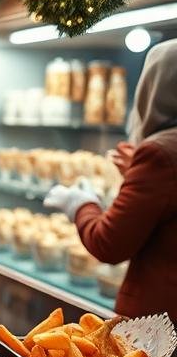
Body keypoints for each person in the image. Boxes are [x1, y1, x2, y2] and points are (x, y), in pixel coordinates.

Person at [44, 39, 177, 319]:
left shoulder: (159, 152)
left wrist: (81, 203)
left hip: (160, 323)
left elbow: (108, 243)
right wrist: (137, 176)